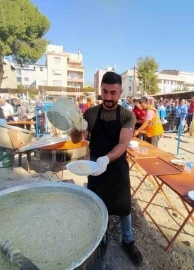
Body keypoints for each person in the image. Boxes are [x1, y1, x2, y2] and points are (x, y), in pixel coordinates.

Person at [69, 72, 143, 266]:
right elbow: (75, 139)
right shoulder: (91, 113)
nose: (108, 97)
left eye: (113, 92)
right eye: (105, 92)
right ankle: (100, 238)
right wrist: (76, 128)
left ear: (120, 93)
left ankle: (127, 240)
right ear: (100, 90)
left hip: (116, 165)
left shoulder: (127, 116)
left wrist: (106, 159)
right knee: (96, 202)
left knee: (124, 204)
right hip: (94, 166)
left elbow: (123, 144)